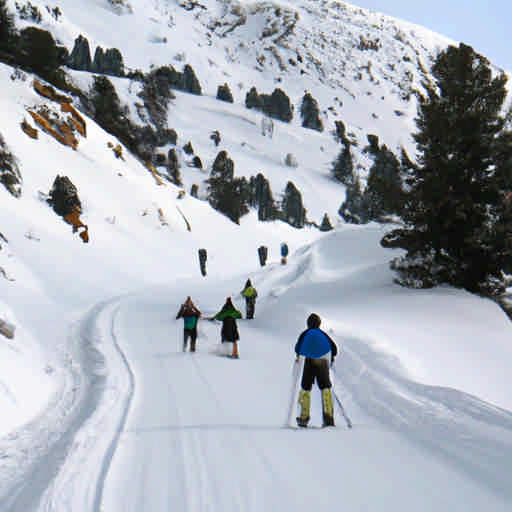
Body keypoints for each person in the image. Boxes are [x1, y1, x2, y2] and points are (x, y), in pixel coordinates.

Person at [294, 313, 338, 427]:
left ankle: (303, 416)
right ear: (319, 324)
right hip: (322, 361)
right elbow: (334, 348)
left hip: (309, 361)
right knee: (325, 386)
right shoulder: (322, 333)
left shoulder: (305, 333)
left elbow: (297, 348)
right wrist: (331, 358)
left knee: (306, 387)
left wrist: (299, 356)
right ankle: (329, 416)